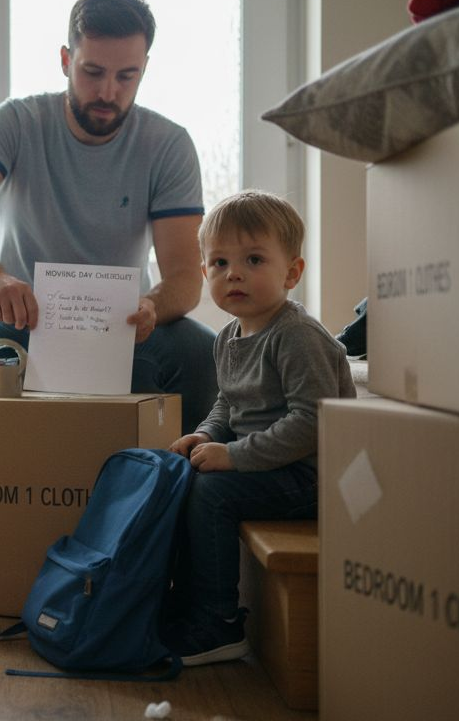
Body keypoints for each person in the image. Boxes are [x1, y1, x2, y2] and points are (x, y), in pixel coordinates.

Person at [0, 0, 217, 434]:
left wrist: (151, 306)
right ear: (65, 60)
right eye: (93, 71)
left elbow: (187, 277)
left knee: (200, 355)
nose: (108, 92)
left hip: (126, 329)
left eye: (126, 76)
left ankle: (173, 494)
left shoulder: (167, 144)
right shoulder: (16, 122)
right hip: (24, 323)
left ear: (145, 69)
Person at [164, 190, 355, 666]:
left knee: (212, 495)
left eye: (253, 259)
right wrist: (207, 435)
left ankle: (219, 623)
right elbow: (228, 403)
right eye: (220, 262)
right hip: (268, 468)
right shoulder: (229, 336)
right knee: (180, 474)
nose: (234, 273)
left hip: (310, 476)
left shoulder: (296, 337)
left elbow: (312, 423)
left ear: (291, 272)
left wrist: (234, 457)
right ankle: (185, 602)